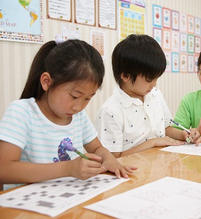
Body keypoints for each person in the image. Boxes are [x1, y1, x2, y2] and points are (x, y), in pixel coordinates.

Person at [0, 39, 137, 191]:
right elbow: (4, 169)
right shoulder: (22, 113)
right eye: (74, 96)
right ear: (47, 82)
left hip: (68, 197)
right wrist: (67, 169)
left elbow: (97, 148)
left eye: (87, 99)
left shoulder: (78, 117)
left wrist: (110, 160)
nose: (78, 106)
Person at [95, 34, 187, 157]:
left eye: (156, 78)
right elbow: (113, 158)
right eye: (149, 79)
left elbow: (166, 128)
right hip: (132, 171)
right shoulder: (110, 111)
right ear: (126, 76)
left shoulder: (156, 95)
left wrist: (184, 135)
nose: (154, 84)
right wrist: (152, 142)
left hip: (160, 165)